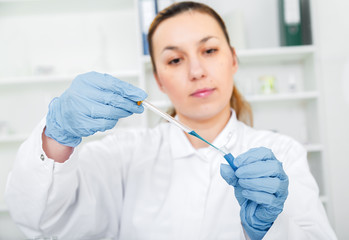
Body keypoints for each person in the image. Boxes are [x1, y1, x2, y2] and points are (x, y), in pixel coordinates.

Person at [5, 2, 336, 240]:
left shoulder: (282, 153)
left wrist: (269, 231)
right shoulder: (124, 153)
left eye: (209, 51)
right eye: (175, 59)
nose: (196, 71)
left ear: (233, 60)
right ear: (159, 80)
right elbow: (42, 222)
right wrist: (58, 135)